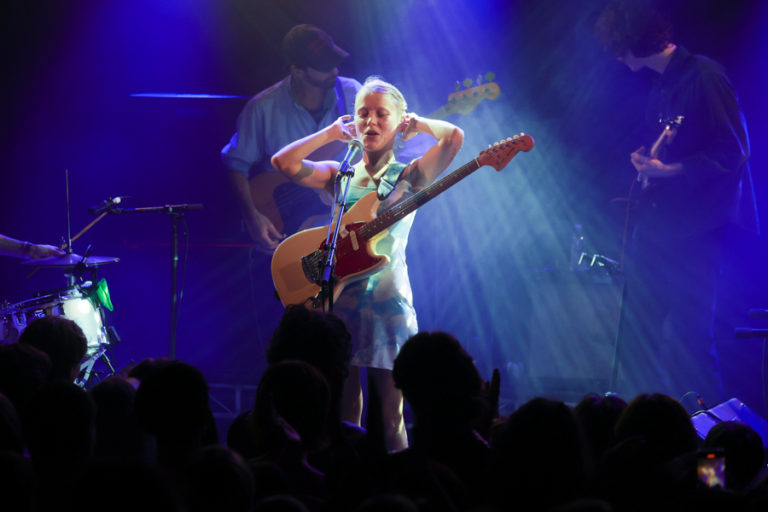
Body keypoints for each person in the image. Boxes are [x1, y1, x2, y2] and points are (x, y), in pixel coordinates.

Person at [271, 77, 464, 451]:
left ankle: (396, 479)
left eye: (381, 114)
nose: (370, 121)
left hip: (386, 304)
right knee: (343, 412)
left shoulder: (410, 175)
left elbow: (454, 138)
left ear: (398, 121)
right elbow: (283, 162)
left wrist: (418, 123)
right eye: (363, 113)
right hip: (338, 302)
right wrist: (330, 133)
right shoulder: (340, 175)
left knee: (390, 415)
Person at [594, 0, 759, 405]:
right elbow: (676, 148)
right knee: (639, 335)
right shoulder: (663, 86)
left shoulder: (704, 76)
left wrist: (668, 171)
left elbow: (734, 150)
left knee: (689, 339)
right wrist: (648, 162)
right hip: (664, 229)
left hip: (701, 230)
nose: (616, 58)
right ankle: (650, 429)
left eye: (616, 48)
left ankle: (712, 440)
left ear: (630, 42)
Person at [220, 24, 362, 357]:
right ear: (297, 70)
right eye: (323, 66)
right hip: (292, 229)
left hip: (342, 229)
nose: (334, 71)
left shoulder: (353, 94)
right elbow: (236, 163)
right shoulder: (263, 107)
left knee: (347, 329)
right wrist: (253, 216)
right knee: (296, 331)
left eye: (334, 62)